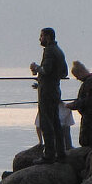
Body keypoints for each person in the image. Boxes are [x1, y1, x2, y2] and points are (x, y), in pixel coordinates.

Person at [29, 27, 68, 163]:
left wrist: (36, 68)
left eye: (41, 36)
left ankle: (49, 155)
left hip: (47, 93)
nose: (40, 39)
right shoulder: (59, 51)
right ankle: (61, 152)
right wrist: (41, 83)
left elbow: (46, 69)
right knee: (56, 122)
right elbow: (64, 73)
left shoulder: (49, 51)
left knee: (46, 123)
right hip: (55, 90)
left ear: (48, 37)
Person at [66, 60, 92, 148]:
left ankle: (90, 158)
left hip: (91, 115)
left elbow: (89, 100)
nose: (77, 78)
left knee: (87, 141)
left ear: (81, 72)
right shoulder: (91, 81)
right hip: (91, 114)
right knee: (86, 140)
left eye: (77, 76)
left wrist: (74, 105)